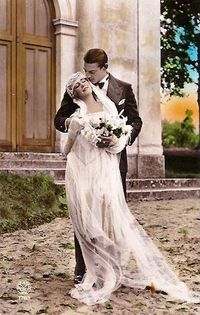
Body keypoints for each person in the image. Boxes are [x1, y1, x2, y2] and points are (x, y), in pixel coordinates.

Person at [63, 71, 199, 306]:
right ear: (73, 93)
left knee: (108, 218)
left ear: (90, 83)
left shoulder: (108, 106)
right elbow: (66, 151)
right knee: (89, 220)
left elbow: (120, 139)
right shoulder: (77, 114)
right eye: (76, 85)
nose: (82, 84)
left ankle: (110, 268)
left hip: (106, 171)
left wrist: (113, 140)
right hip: (84, 171)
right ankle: (91, 272)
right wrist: (74, 130)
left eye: (84, 80)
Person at [54, 48, 142, 284]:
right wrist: (71, 123)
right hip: (84, 164)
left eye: (92, 72)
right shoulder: (76, 89)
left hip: (113, 165)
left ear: (104, 68)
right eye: (85, 70)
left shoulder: (123, 89)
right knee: (85, 214)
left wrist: (120, 138)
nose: (87, 76)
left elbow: (135, 121)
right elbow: (59, 119)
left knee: (111, 217)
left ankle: (112, 268)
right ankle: (82, 269)